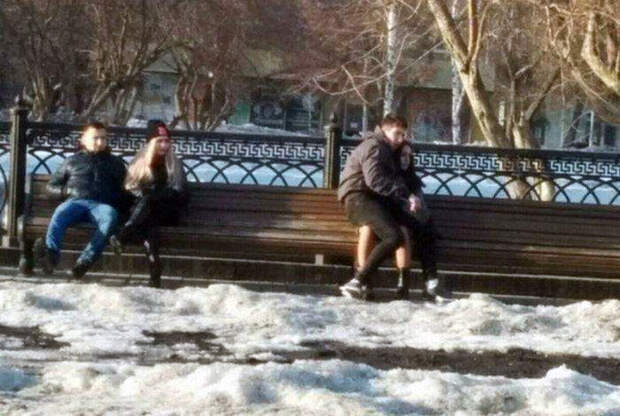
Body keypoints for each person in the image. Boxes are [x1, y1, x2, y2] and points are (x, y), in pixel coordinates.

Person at [356, 142, 449, 301]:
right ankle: (365, 282)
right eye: (402, 155)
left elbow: (420, 207)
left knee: (411, 230)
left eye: (409, 156)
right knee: (368, 229)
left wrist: (415, 210)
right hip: (380, 220)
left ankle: (405, 285)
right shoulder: (383, 176)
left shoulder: (411, 179)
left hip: (403, 224)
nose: (406, 159)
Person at [33, 122, 127, 279]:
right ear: (84, 139)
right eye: (95, 138)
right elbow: (50, 187)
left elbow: (124, 191)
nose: (100, 142)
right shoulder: (71, 161)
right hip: (75, 203)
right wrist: (65, 191)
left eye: (103, 138)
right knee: (60, 212)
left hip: (101, 206)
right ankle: (51, 256)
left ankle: (84, 263)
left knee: (110, 216)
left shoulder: (116, 163)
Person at [111, 120, 188, 288]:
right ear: (151, 143)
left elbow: (180, 192)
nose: (164, 145)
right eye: (160, 141)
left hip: (168, 211)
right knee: (148, 227)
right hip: (145, 214)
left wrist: (157, 194)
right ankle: (155, 276)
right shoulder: (140, 162)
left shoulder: (174, 163)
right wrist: (144, 194)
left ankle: (124, 235)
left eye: (167, 141)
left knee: (149, 201)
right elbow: (129, 188)